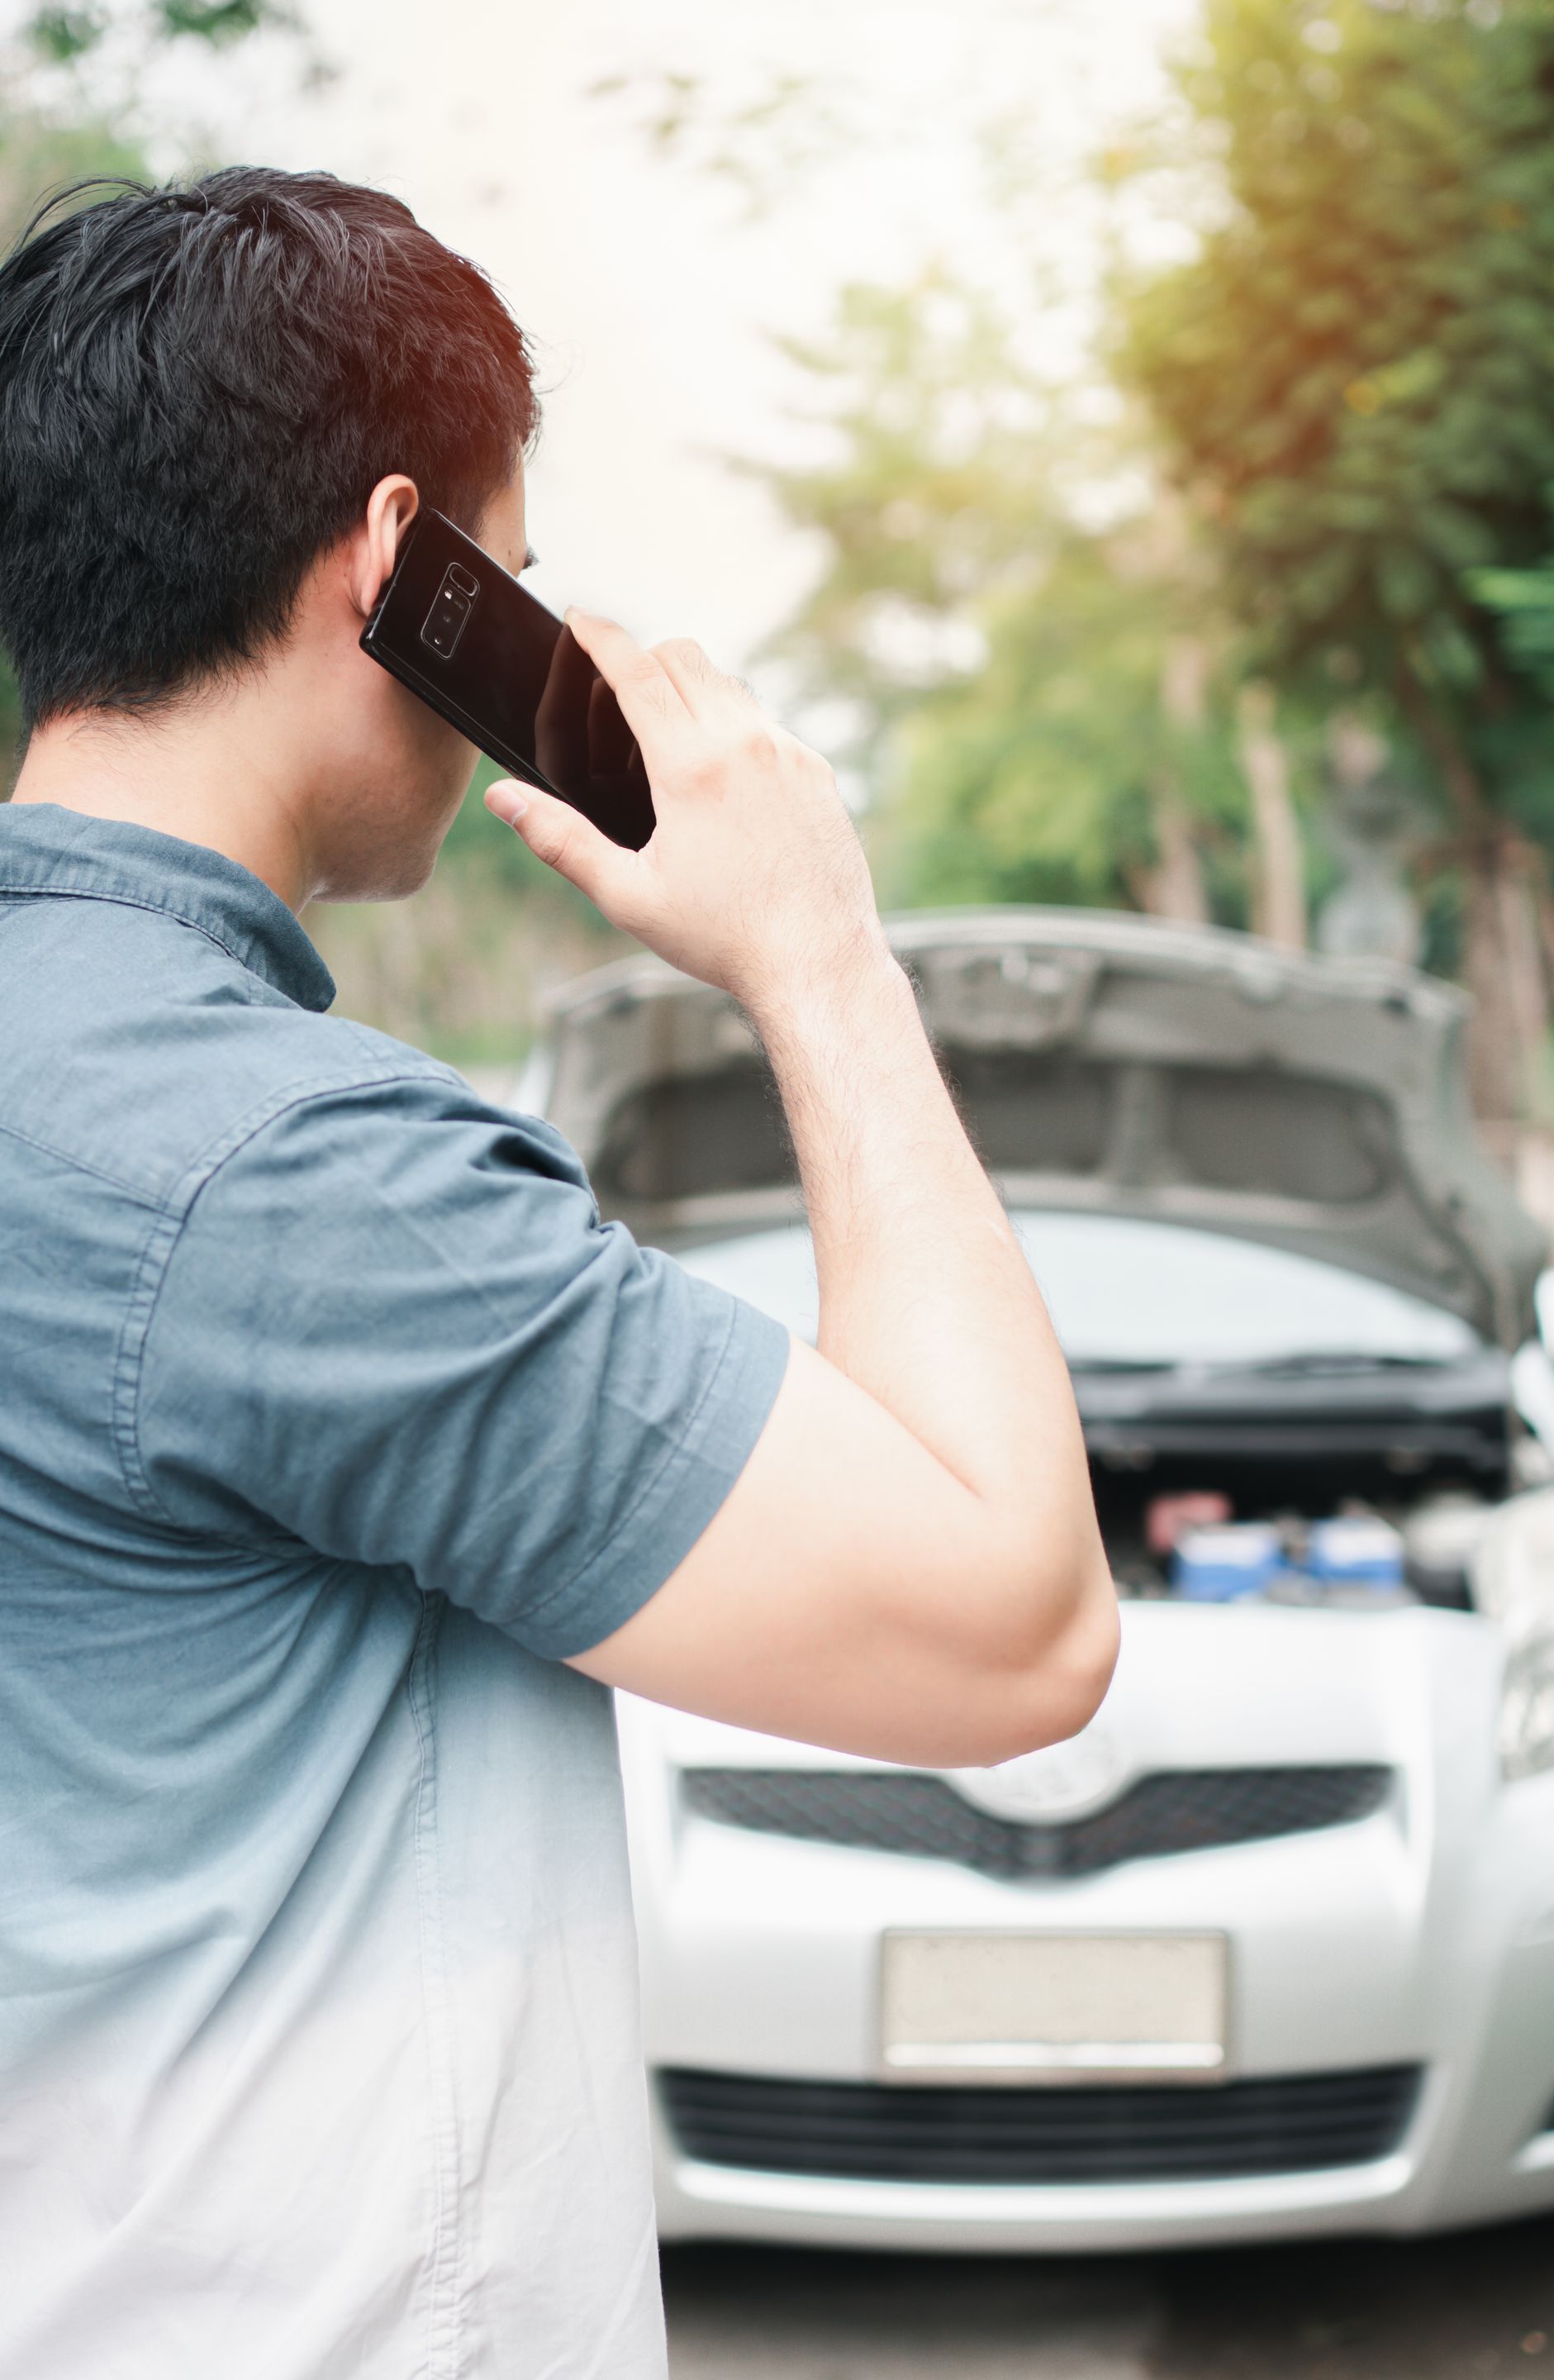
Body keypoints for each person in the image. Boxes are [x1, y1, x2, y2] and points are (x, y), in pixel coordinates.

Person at [0, 169, 1116, 2379]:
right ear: (391, 563)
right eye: (500, 574)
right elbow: (1020, 1627)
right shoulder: (302, 1183)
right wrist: (816, 948)